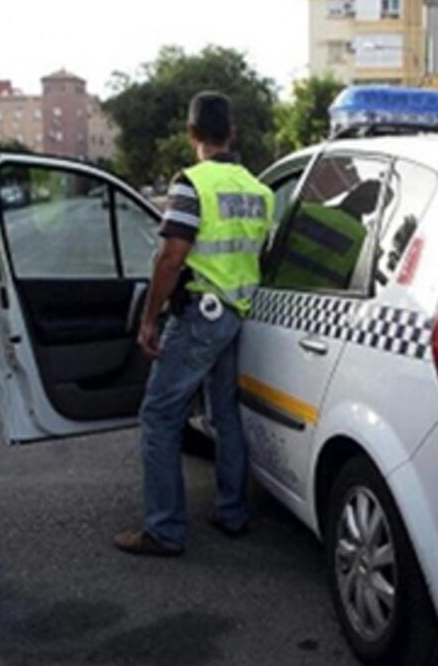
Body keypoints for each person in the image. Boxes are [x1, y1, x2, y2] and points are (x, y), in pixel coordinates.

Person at [114, 92, 275, 556]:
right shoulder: (258, 190)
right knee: (224, 414)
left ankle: (163, 528)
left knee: (160, 415)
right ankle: (232, 511)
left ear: (191, 134)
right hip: (236, 315)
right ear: (233, 133)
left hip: (199, 315)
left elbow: (171, 257)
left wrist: (149, 318)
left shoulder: (191, 184)